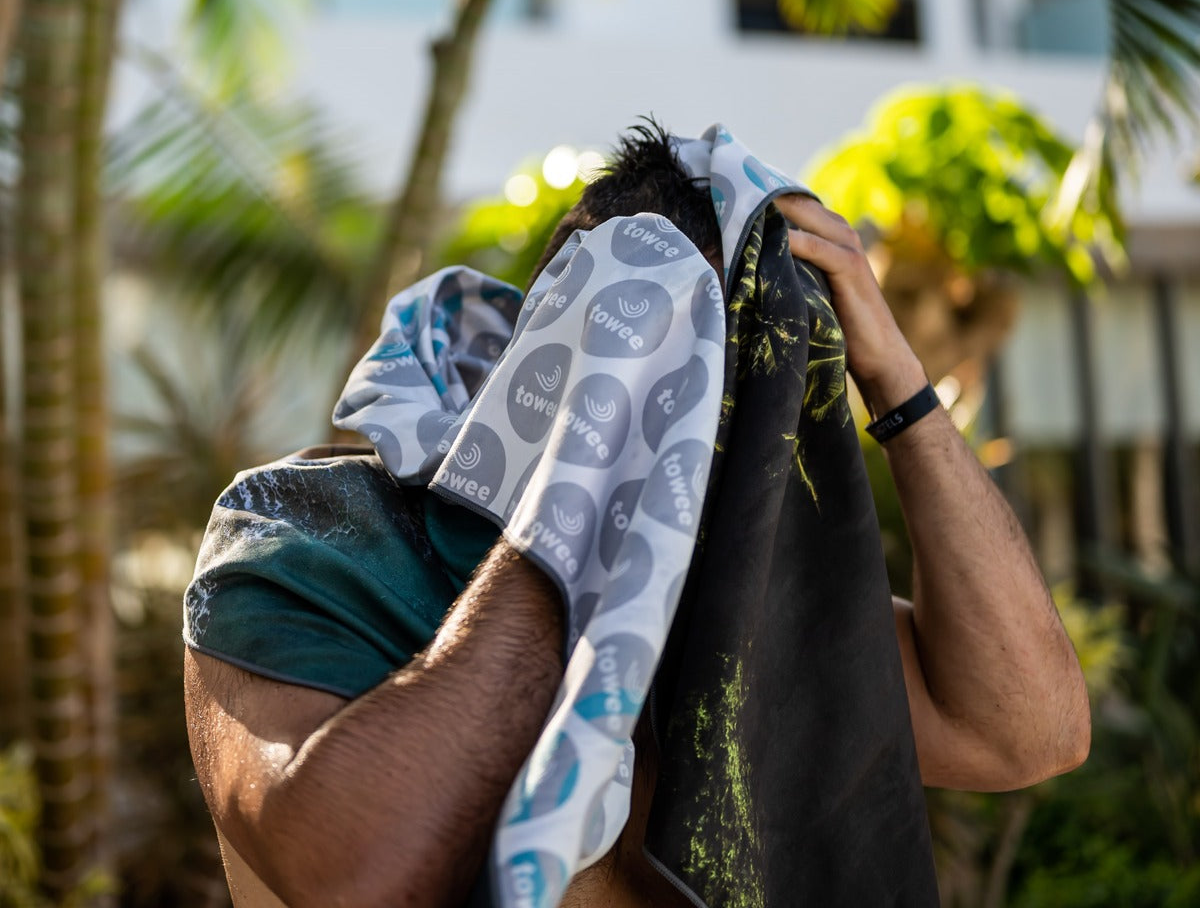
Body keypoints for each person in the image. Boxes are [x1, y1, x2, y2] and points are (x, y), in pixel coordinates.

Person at [183, 124, 1090, 908]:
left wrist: (896, 383)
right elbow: (360, 881)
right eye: (660, 367)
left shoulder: (728, 603)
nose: (688, 435)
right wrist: (580, 502)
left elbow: (1027, 731)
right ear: (570, 320)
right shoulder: (308, 531)